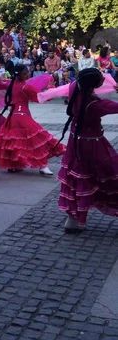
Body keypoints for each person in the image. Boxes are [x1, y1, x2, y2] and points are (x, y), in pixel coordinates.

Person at [58, 68, 118, 232]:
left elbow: (77, 82)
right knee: (110, 175)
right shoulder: (97, 104)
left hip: (75, 142)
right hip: (94, 144)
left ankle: (72, 220)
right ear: (96, 84)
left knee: (77, 178)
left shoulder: (73, 89)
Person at [0, 64, 65, 175]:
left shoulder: (11, 84)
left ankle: (13, 165)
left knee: (15, 141)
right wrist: (51, 88)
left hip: (12, 117)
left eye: (27, 72)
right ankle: (42, 165)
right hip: (22, 116)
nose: (27, 74)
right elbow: (41, 97)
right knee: (38, 139)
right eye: (25, 72)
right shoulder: (25, 87)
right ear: (20, 74)